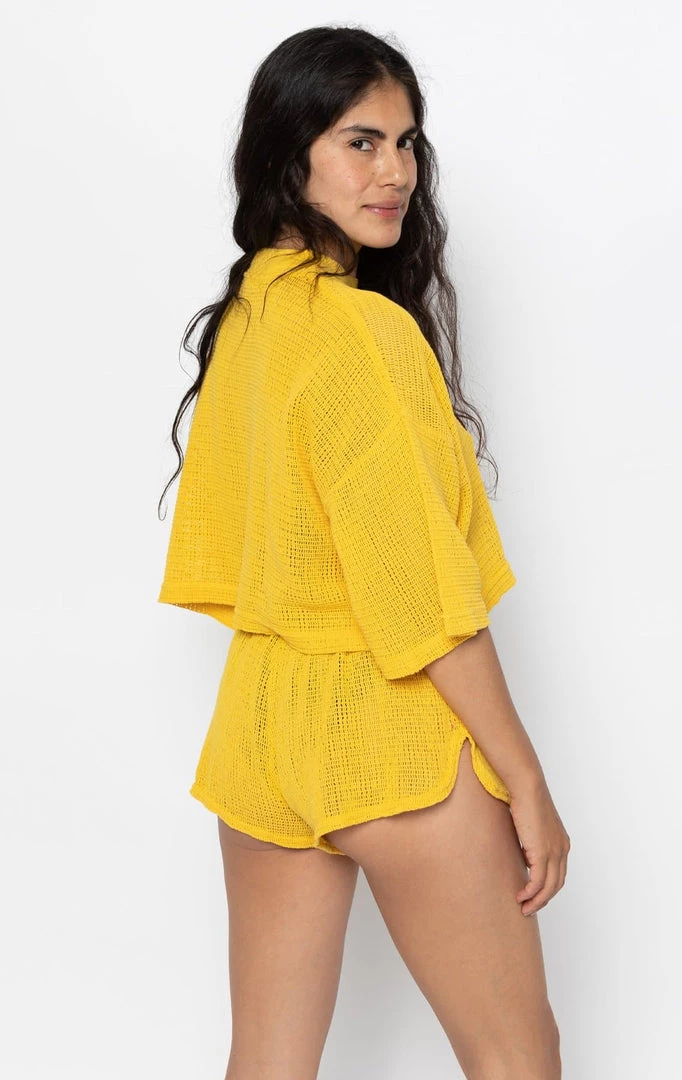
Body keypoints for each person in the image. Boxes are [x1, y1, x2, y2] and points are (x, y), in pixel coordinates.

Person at [157, 25, 570, 1080]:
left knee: (266, 1064)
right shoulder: (362, 334)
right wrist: (525, 778)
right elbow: (421, 599)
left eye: (406, 143)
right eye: (360, 141)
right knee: (517, 1060)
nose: (395, 172)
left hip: (260, 732)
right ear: (288, 151)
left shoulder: (250, 315)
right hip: (391, 737)